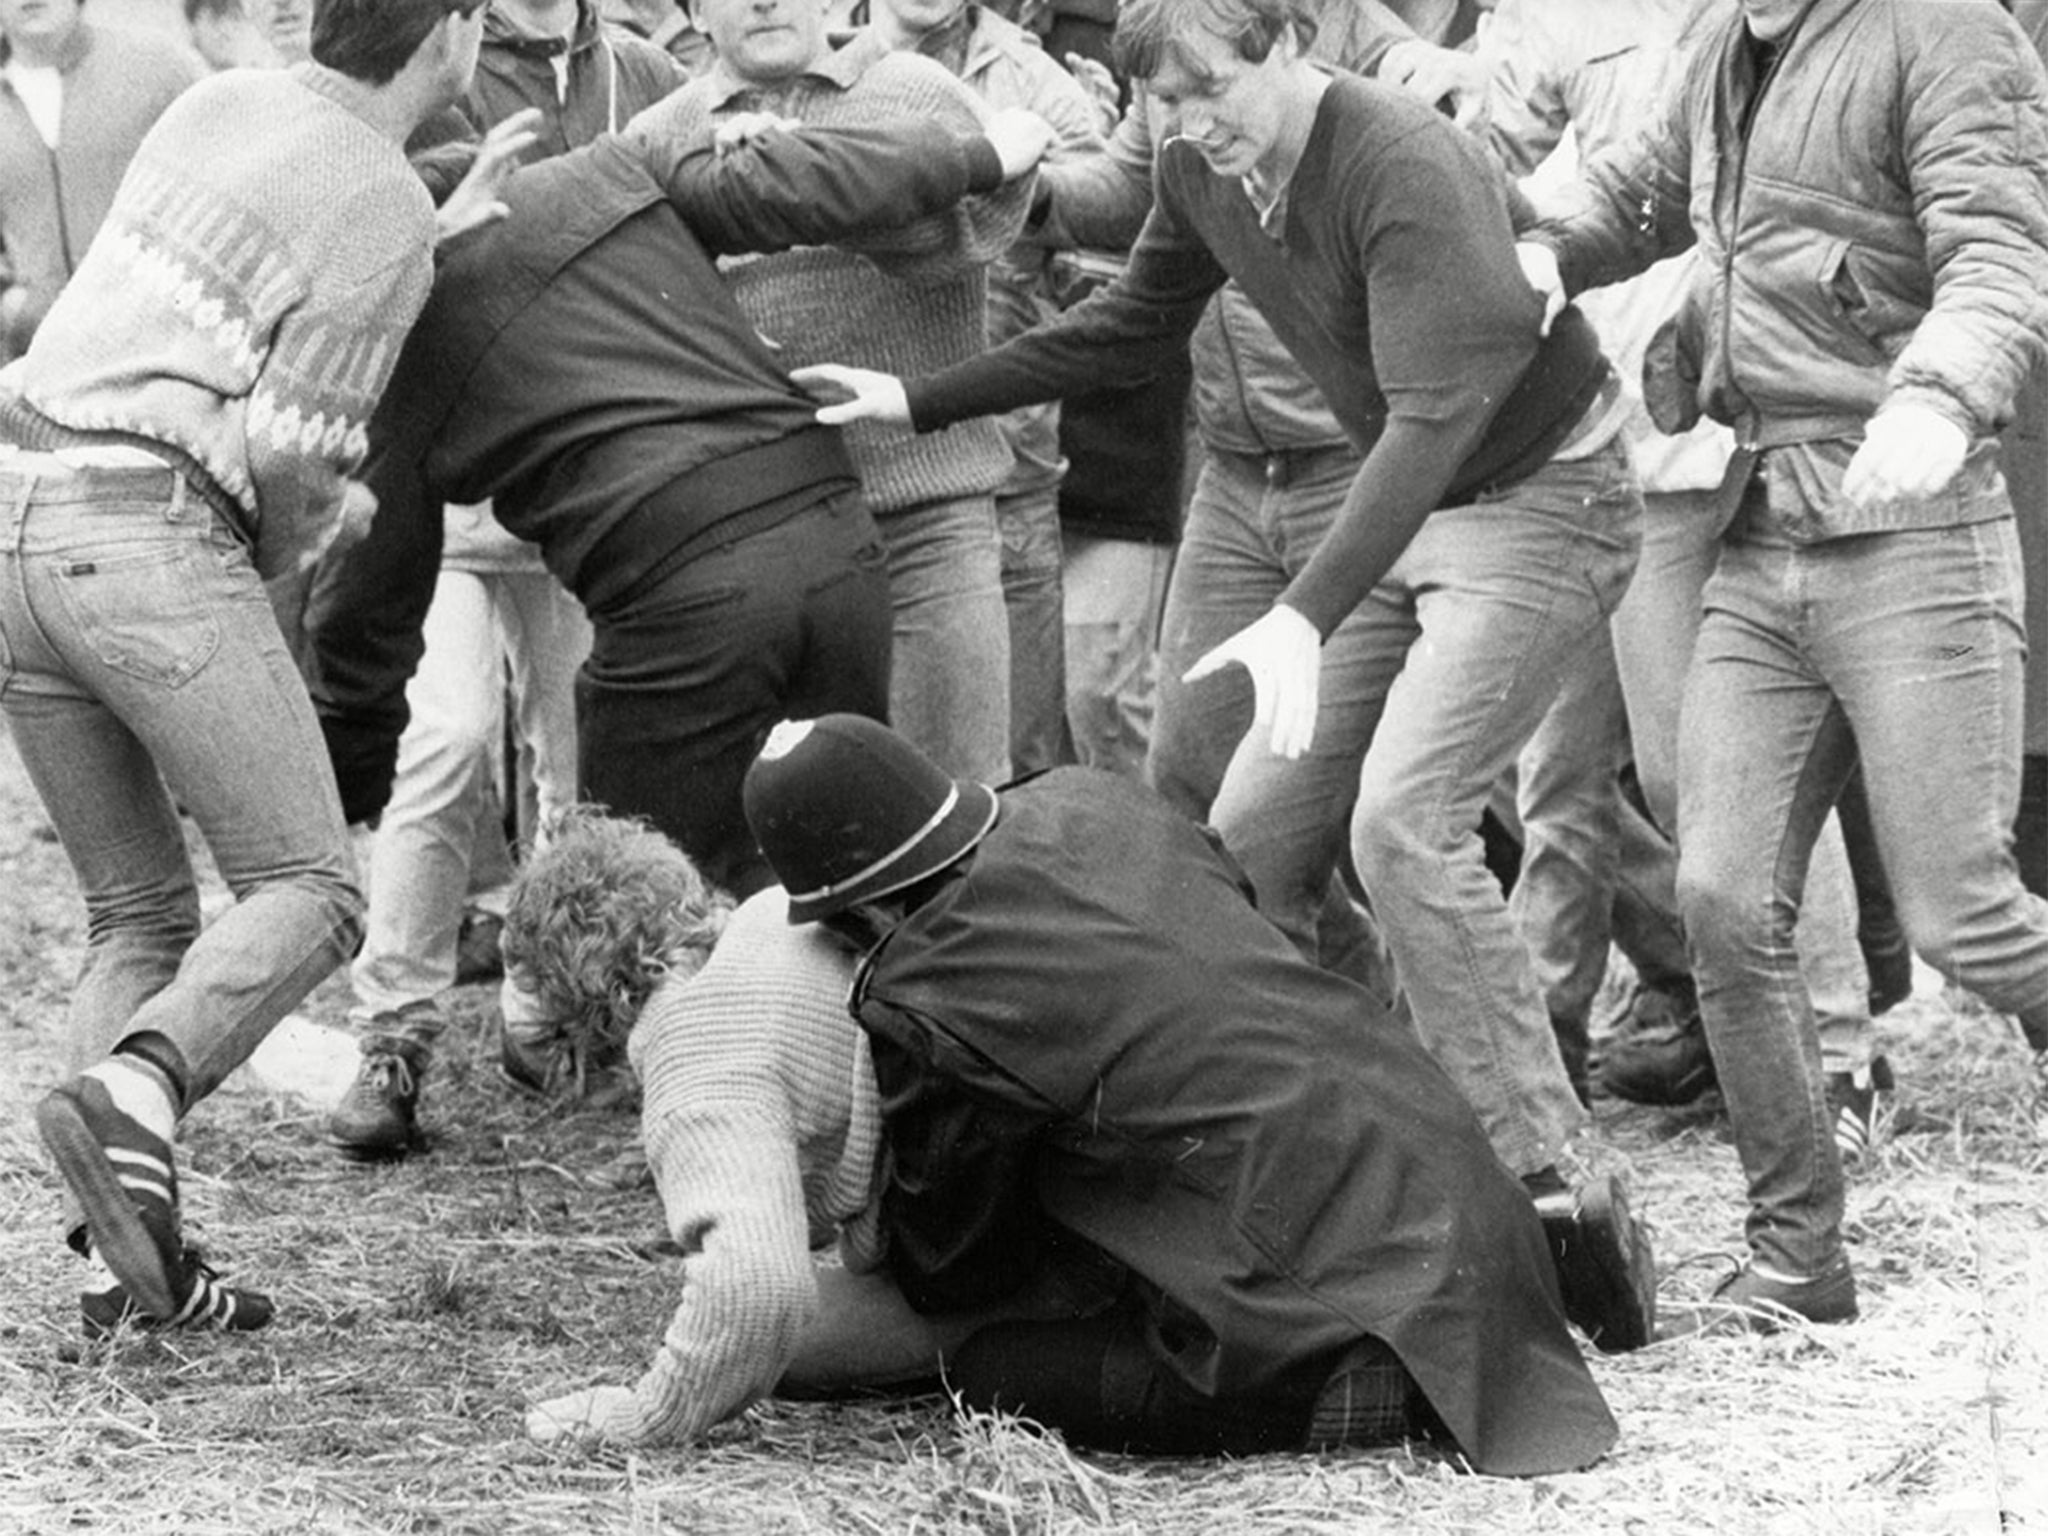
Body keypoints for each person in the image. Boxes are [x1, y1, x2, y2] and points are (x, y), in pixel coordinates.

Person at [794, 0, 1642, 1227]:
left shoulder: (1399, 156)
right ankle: (1367, 1138)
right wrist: (919, 398)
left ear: (1290, 44)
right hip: (1416, 500)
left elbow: (1429, 418)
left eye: (1211, 91)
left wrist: (1300, 612)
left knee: (1404, 823)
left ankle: (1559, 1187)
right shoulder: (1200, 168)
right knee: (1245, 839)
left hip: (1547, 497)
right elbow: (1132, 322)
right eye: (1164, 105)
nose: (1189, 127)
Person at [307, 104, 1056, 1152]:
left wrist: (342, 777)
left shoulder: (405, 335)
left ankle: (711, 1137)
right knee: (831, 862)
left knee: (628, 899)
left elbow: (371, 597)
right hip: (834, 540)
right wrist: (978, 150)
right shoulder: (602, 176)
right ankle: (910, 1112)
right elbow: (815, 173)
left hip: (684, 594)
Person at [1520, 0, 2048, 1331]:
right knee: (1717, 895)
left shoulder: (1948, 32)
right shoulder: (1720, 48)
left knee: (1960, 915)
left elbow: (1999, 251)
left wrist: (1942, 389)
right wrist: (1531, 247)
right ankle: (1800, 1259)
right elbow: (1638, 203)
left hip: (1916, 531)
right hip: (1764, 534)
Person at [712, 713, 1633, 1471]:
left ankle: (1357, 1385)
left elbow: (954, 1269)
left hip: (1317, 1320)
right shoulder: (1089, 796)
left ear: (863, 913)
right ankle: (1535, 1248)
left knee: (989, 1366)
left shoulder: (930, 987)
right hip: (1451, 1184)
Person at [5, 0, 498, 1337]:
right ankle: (141, 1092)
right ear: (451, 36)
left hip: (17, 519)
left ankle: (124, 1271)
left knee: (136, 917)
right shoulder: (383, 196)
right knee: (312, 890)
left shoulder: (223, 101)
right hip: (147, 539)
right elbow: (291, 448)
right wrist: (305, 540)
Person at [326, 0, 684, 1160]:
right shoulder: (438, 52)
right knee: (442, 740)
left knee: (579, 748)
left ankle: (553, 1004)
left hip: (583, 474)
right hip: (449, 478)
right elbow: (368, 204)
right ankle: (395, 1036)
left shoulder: (636, 65)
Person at [642, 0, 1041, 786]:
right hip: (758, 542)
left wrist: (800, 182)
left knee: (960, 809)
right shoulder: (660, 136)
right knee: (798, 833)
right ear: (693, 10)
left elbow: (971, 240)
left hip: (929, 525)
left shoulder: (918, 90)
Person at [864, 0, 1104, 777]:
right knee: (871, 775)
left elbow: (1115, 236)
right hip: (852, 485)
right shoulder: (819, 66)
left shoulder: (1039, 83)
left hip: (1006, 478)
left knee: (1017, 775)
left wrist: (1022, 205)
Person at [0, 0, 203, 364]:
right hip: (31, 366)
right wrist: (12, 305)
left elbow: (226, 182)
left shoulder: (158, 68)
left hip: (160, 357)